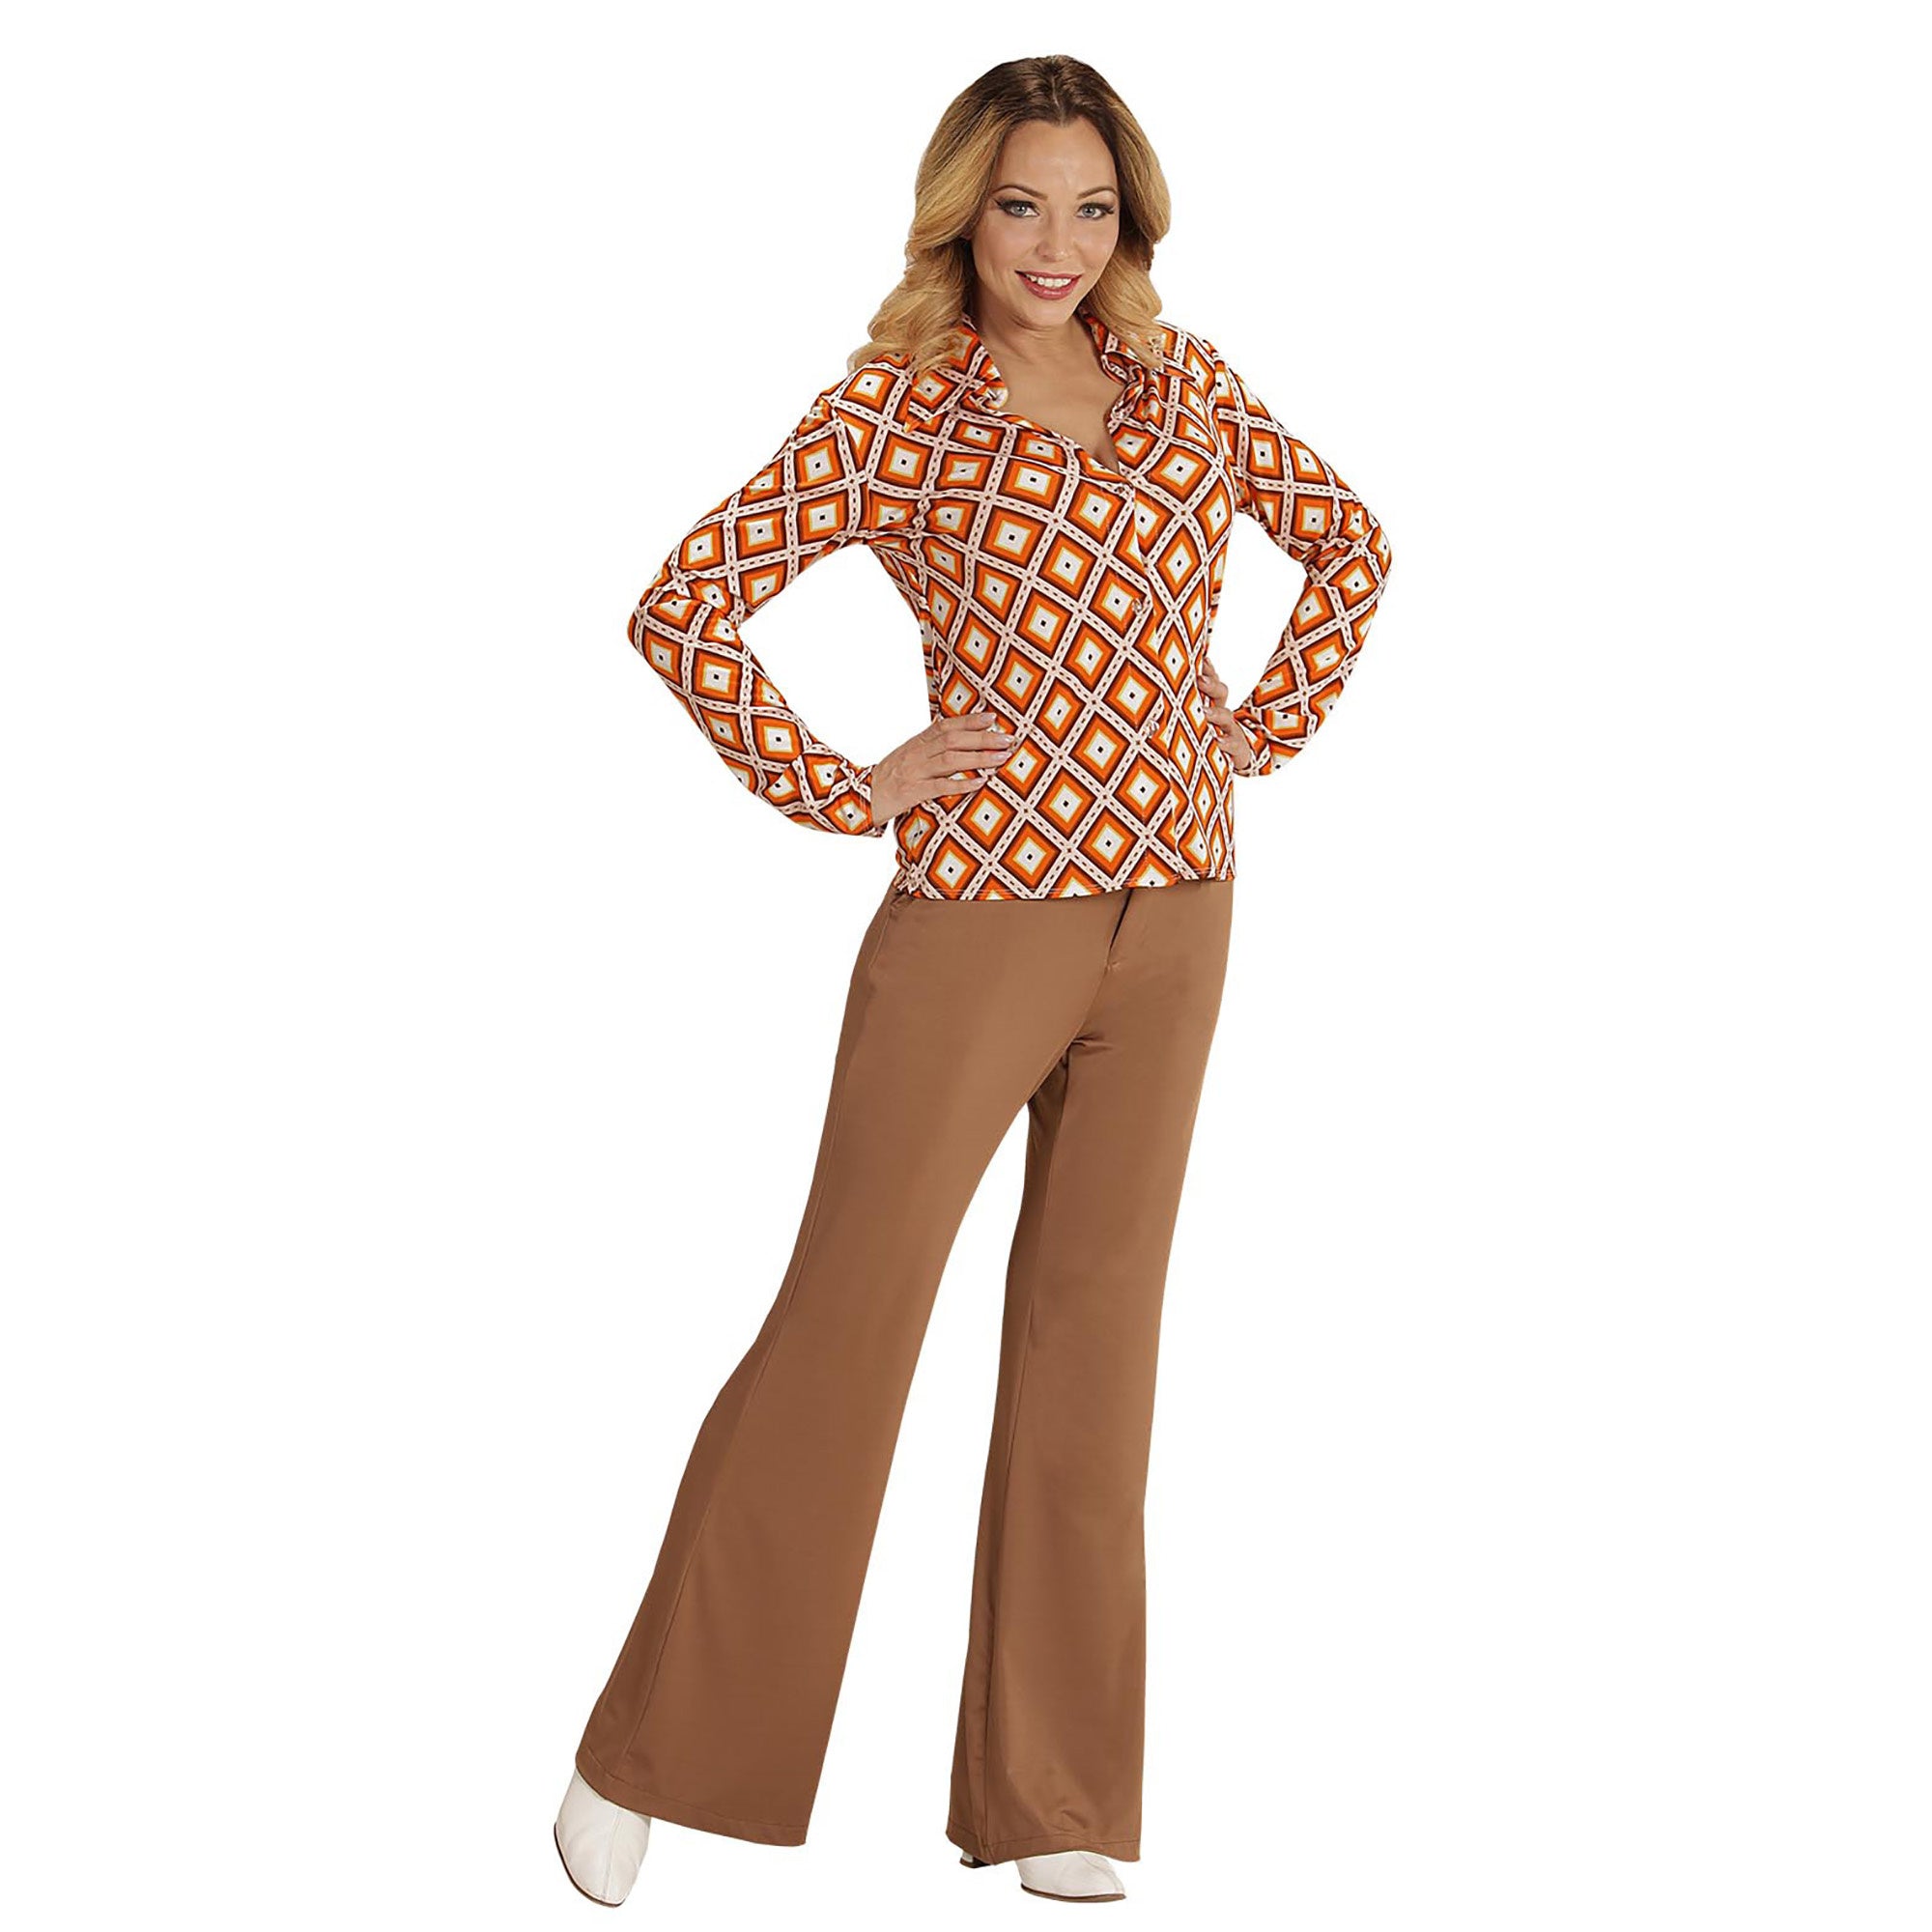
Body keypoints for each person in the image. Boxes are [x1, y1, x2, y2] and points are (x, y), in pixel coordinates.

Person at [554, 53, 1394, 1908]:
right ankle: (647, 1754)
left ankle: (1057, 1794)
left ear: (1130, 222)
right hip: (981, 914)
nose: (1056, 245)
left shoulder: (1185, 384)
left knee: (1098, 1350)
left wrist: (1258, 729)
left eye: (1091, 208)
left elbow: (1351, 545)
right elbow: (684, 604)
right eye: (1023, 205)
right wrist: (843, 783)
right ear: (965, 211)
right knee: (848, 1326)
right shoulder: (898, 409)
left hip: (1180, 916)